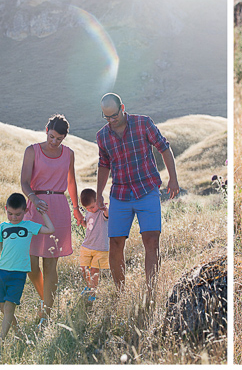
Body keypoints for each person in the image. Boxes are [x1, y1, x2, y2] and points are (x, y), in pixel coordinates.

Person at [96, 92, 179, 303]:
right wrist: (98, 195)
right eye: (107, 117)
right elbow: (104, 165)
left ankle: (150, 295)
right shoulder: (103, 136)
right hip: (120, 194)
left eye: (114, 115)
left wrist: (173, 179)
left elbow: (164, 148)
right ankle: (121, 295)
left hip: (146, 190)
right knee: (115, 244)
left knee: (151, 241)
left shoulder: (143, 123)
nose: (112, 120)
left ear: (122, 108)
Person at [20, 114, 83, 321]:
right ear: (46, 129)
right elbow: (24, 182)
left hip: (58, 208)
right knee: (30, 263)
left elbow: (71, 182)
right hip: (35, 207)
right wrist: (34, 199)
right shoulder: (32, 151)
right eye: (52, 136)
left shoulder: (69, 154)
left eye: (59, 139)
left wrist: (76, 208)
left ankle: (47, 310)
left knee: (50, 264)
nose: (55, 142)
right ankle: (45, 299)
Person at [0, 193, 56, 351]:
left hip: (18, 274)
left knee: (9, 307)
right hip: (2, 272)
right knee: (3, 308)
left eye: (18, 214)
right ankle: (19, 333)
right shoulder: (3, 227)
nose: (14, 217)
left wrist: (42, 213)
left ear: (25, 210)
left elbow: (50, 229)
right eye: (10, 214)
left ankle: (0, 341)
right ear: (6, 210)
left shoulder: (28, 226)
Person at [77, 188, 109, 302]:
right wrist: (82, 222)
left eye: (92, 207)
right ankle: (89, 286)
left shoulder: (102, 211)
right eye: (87, 208)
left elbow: (107, 215)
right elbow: (89, 226)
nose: (90, 209)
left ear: (98, 201)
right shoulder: (89, 212)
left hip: (100, 247)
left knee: (95, 270)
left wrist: (104, 208)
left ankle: (93, 292)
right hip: (87, 245)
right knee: (83, 268)